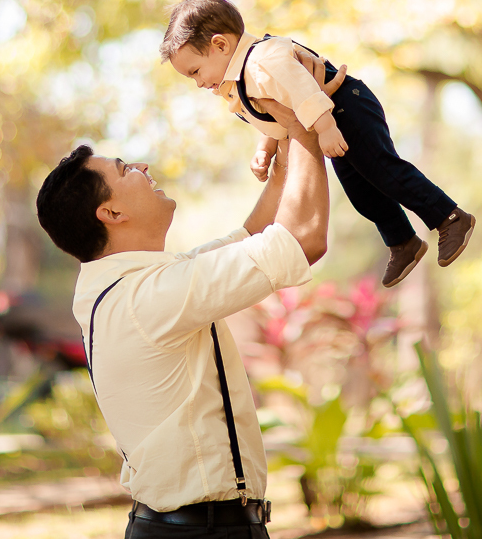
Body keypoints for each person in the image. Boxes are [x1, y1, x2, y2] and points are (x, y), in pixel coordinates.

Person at [35, 66, 341, 539]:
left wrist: (282, 137)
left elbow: (252, 238)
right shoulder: (148, 297)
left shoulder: (129, 287)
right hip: (200, 531)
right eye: (125, 170)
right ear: (111, 213)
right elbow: (303, 240)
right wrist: (306, 124)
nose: (143, 168)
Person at [160, 0, 476, 289]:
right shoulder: (240, 78)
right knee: (360, 190)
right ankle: (402, 240)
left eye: (196, 71)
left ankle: (448, 216)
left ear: (220, 45)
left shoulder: (262, 61)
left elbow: (303, 90)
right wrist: (265, 147)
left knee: (383, 169)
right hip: (330, 117)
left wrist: (325, 127)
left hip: (344, 107)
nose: (199, 83)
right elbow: (274, 113)